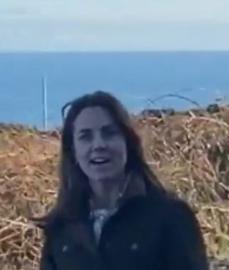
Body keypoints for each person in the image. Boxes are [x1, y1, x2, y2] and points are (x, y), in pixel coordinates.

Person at [36, 91, 208, 270]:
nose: (99, 145)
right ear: (74, 151)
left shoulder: (170, 216)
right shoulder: (61, 228)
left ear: (128, 142)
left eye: (109, 133)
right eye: (85, 136)